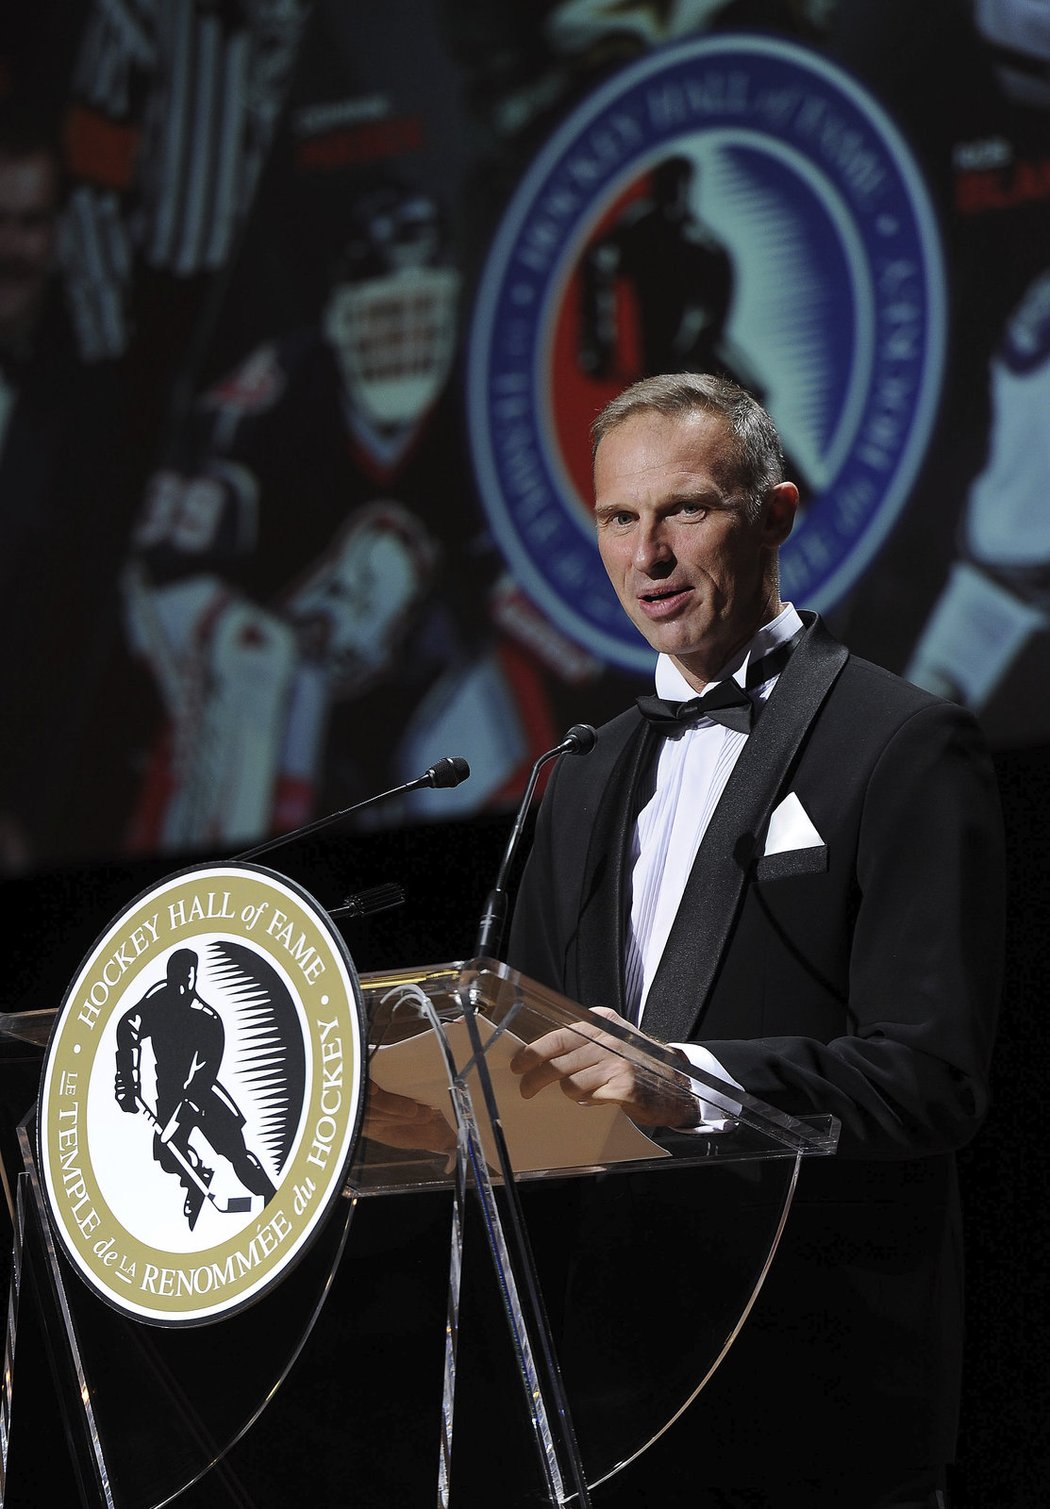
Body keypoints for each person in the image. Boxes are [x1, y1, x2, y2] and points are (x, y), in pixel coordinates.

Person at [506, 373, 1004, 1507]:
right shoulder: (573, 780)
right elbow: (531, 1058)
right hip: (618, 1401)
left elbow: (933, 1079)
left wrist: (693, 1084)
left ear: (776, 514)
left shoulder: (903, 746)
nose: (651, 557)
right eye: (620, 520)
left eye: (686, 510)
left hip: (826, 1392)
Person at [114, 948, 276, 1229]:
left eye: (186, 978)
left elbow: (202, 1076)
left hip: (204, 1097)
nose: (180, 985)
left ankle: (271, 1198)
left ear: (194, 977)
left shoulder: (208, 1019)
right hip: (168, 1093)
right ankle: (197, 1176)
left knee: (235, 1151)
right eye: (175, 977)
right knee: (167, 1155)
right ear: (169, 975)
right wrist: (128, 1080)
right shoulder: (158, 1002)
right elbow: (128, 1026)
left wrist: (182, 1114)